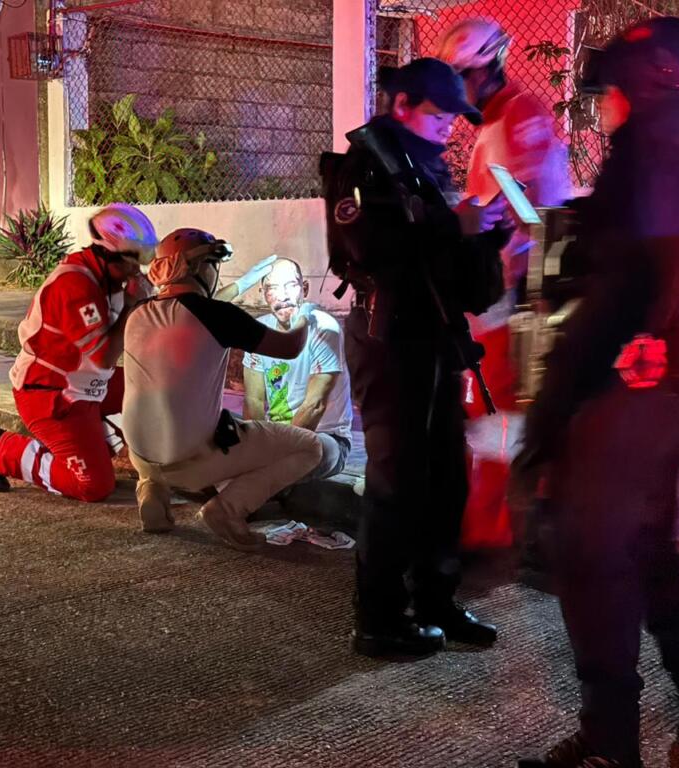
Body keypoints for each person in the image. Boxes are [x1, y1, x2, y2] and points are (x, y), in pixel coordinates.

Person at [509, 18, 679, 768]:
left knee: (592, 559)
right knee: (647, 552)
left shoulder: (654, 152)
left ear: (646, 84)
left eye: (612, 89)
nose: (603, 105)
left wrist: (551, 417)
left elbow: (634, 288)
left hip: (627, 388)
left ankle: (611, 745)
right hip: (665, 384)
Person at [321, 57, 508, 658]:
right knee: (396, 482)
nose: (451, 126)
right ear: (402, 104)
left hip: (434, 338)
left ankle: (436, 601)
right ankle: (377, 618)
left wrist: (487, 234)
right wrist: (455, 225)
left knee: (446, 479)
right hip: (388, 339)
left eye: (457, 115)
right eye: (440, 113)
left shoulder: (426, 169)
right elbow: (369, 248)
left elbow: (449, 264)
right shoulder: (362, 167)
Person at [437, 19, 573, 549]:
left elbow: (519, 206)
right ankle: (492, 519)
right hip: (497, 278)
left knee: (496, 405)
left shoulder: (518, 115)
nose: (456, 94)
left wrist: (466, 220)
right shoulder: (498, 118)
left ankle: (490, 526)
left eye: (462, 77)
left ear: (490, 67)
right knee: (491, 403)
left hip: (511, 282)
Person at [122, 229, 322, 548]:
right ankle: (226, 510)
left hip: (141, 454)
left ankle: (153, 494)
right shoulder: (217, 316)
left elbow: (198, 308)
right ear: (202, 268)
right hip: (191, 462)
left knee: (163, 421)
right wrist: (304, 315)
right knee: (310, 447)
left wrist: (244, 282)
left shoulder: (138, 313)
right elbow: (291, 347)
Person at [0, 203, 158, 502]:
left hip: (85, 386)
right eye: (132, 262)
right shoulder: (75, 285)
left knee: (156, 390)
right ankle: (6, 451)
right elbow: (101, 357)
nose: (136, 271)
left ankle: (93, 443)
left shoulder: (111, 279)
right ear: (108, 255)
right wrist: (131, 306)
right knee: (94, 486)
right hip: (52, 395)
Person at [241, 258, 353, 483]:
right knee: (219, 431)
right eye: (273, 288)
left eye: (290, 286)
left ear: (304, 289)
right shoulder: (259, 331)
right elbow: (253, 401)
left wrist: (271, 452)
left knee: (310, 451)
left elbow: (315, 405)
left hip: (323, 436)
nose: (282, 296)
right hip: (275, 435)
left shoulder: (324, 327)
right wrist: (256, 446)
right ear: (263, 293)